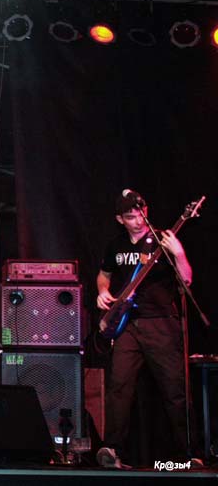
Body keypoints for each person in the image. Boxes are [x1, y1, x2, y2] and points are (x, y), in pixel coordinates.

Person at [95, 189, 193, 468]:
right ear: (120, 219)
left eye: (141, 214)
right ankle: (112, 450)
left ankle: (189, 453)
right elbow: (104, 275)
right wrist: (102, 291)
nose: (138, 221)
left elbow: (187, 280)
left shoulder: (163, 240)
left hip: (160, 322)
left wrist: (179, 253)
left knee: (174, 388)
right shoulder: (115, 246)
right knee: (119, 386)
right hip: (126, 324)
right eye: (130, 217)